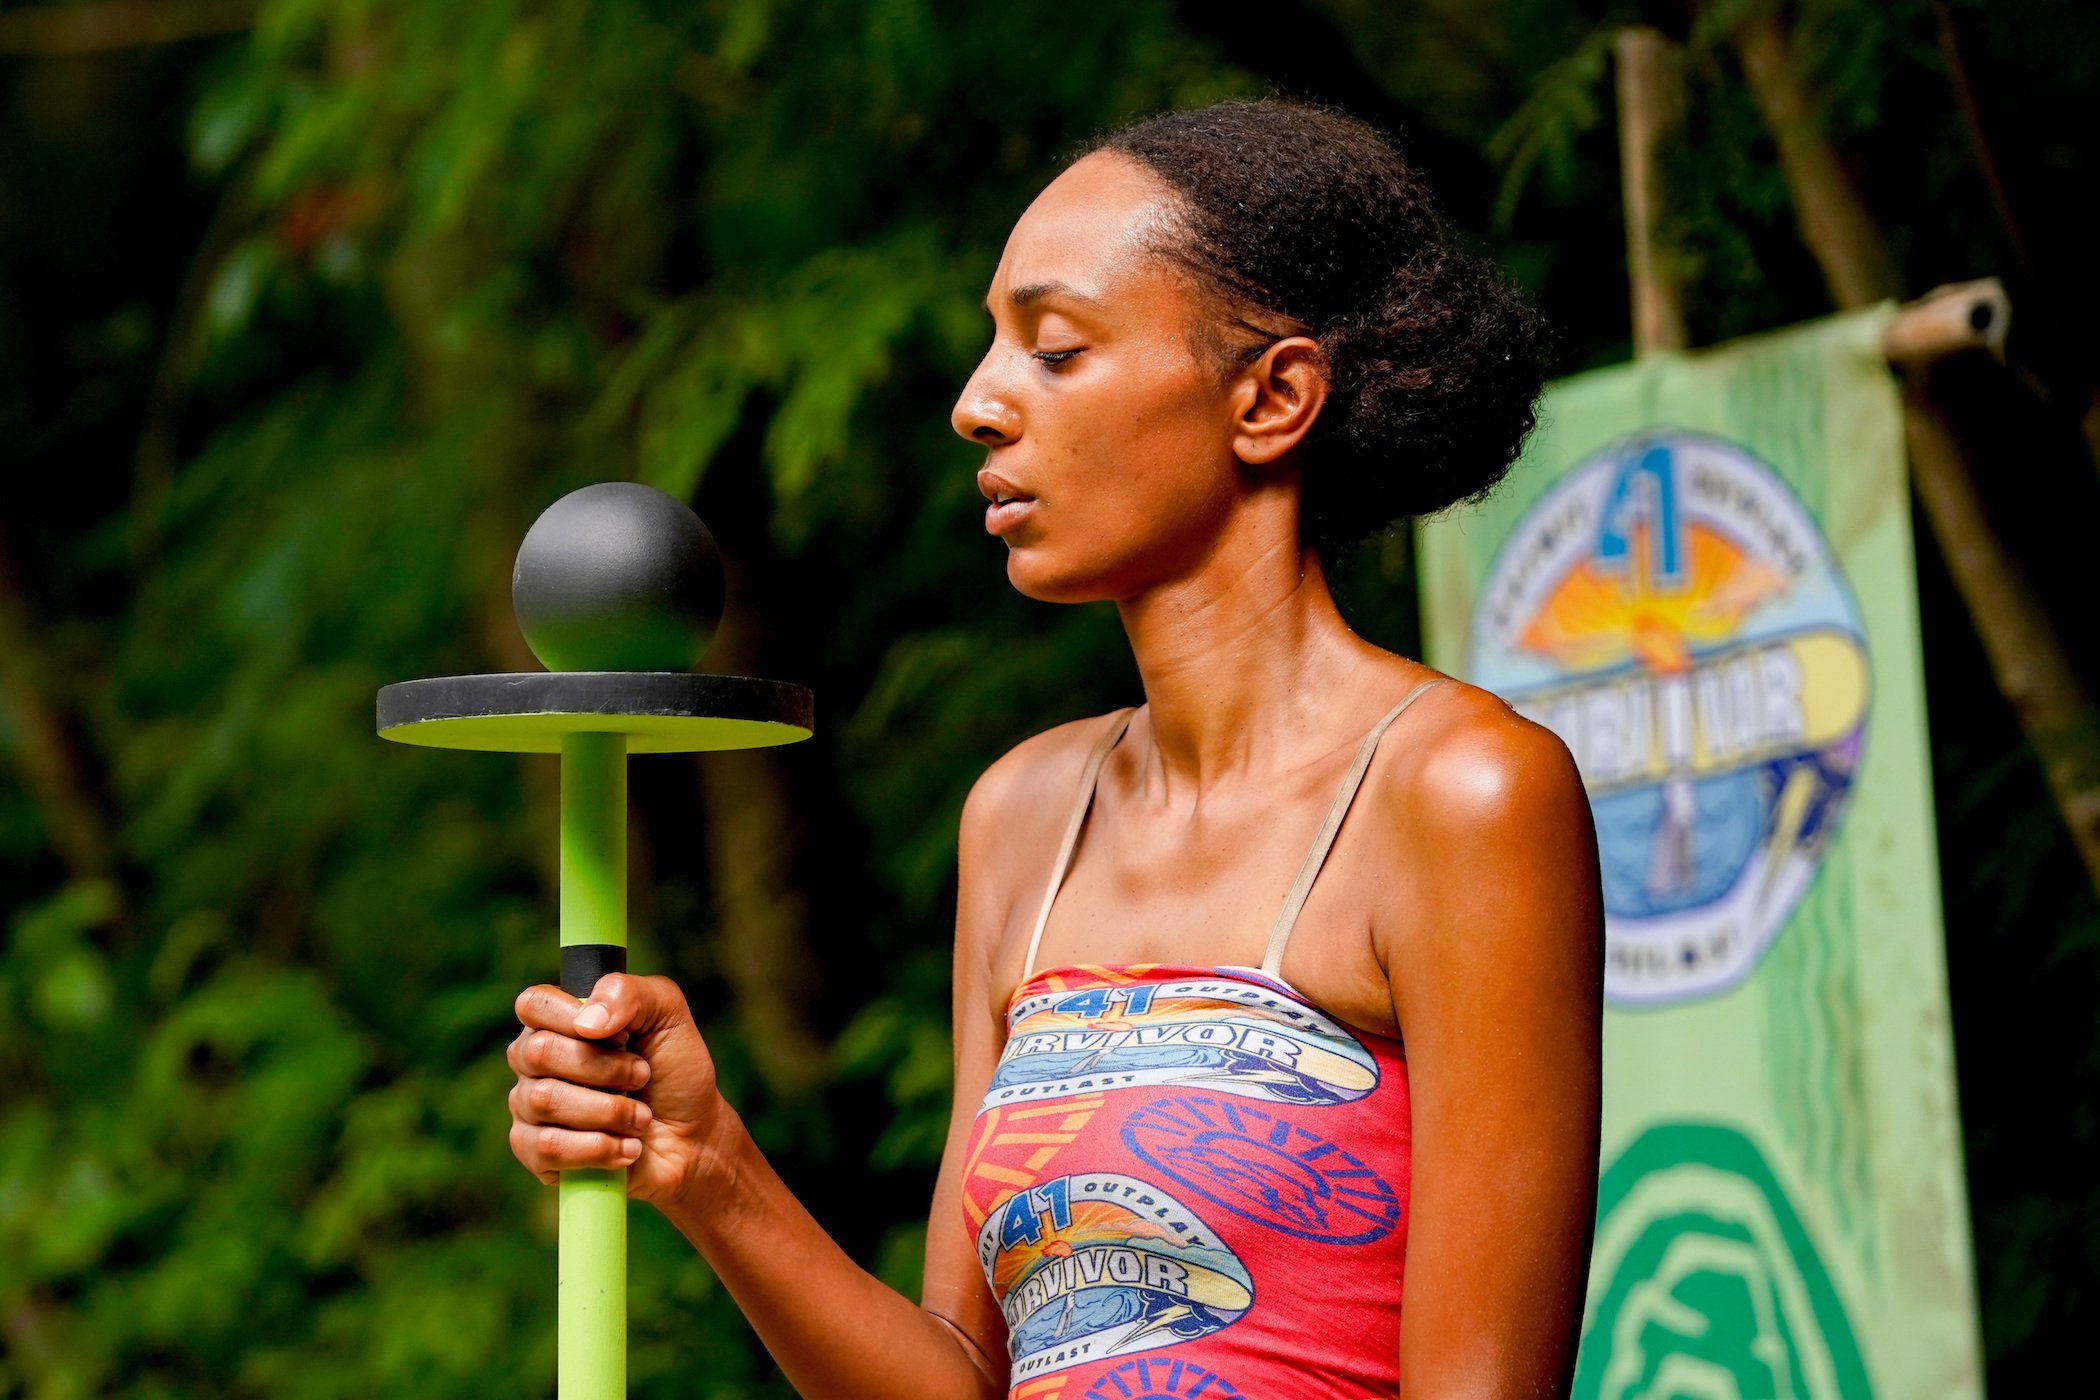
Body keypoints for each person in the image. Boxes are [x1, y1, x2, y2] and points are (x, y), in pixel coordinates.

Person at [506, 99, 1602, 1399]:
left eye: (1057, 348)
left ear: (1273, 397)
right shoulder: (1026, 814)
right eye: (991, 349)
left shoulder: (1460, 795)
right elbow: (960, 1376)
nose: (977, 405)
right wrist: (706, 1166)